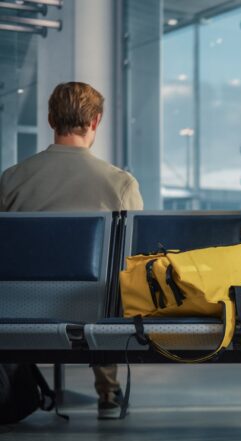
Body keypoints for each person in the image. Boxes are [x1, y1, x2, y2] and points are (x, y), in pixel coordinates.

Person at [0, 81, 143, 419]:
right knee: (111, 284)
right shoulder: (120, 183)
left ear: (51, 119)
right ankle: (108, 392)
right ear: (96, 121)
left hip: (20, 309)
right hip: (91, 308)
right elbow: (134, 257)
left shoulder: (12, 179)